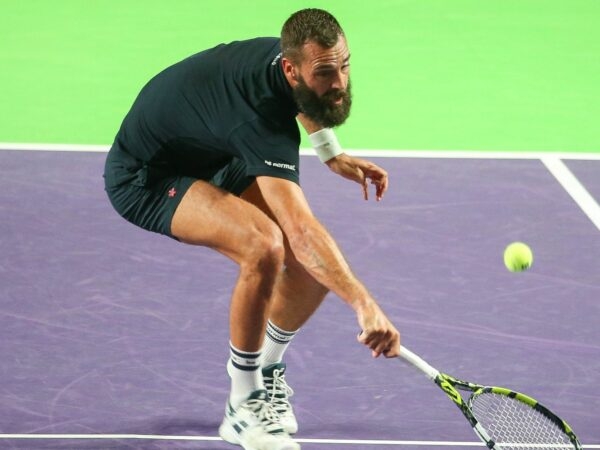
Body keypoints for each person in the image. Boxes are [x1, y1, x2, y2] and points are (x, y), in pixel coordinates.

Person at [104, 8, 400, 450]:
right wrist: (365, 305)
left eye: (344, 65)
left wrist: (329, 151)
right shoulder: (260, 120)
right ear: (291, 69)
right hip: (148, 175)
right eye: (325, 72)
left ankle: (267, 368)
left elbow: (306, 100)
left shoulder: (285, 60)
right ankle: (242, 407)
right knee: (264, 246)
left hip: (214, 152)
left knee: (309, 265)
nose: (339, 81)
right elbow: (299, 230)